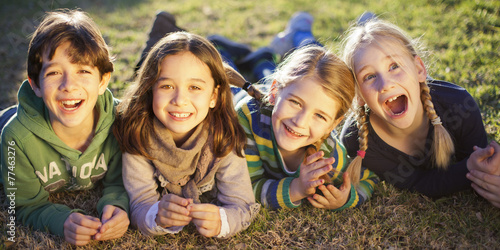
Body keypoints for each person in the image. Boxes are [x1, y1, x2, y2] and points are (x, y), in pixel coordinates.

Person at [0, 10, 129, 246]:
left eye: (83, 71)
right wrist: (61, 221)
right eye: (54, 72)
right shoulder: (15, 138)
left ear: (103, 80)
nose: (69, 85)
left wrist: (117, 204)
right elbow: (25, 205)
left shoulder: (120, 122)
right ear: (35, 85)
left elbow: (119, 181)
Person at [114, 31, 259, 238]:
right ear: (150, 89)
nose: (180, 100)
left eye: (195, 87)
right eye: (167, 86)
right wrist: (156, 216)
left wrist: (223, 220)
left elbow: (242, 203)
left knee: (257, 68)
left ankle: (248, 53)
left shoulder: (223, 135)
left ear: (214, 97)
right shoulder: (138, 134)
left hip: (238, 90)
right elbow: (140, 204)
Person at [340, 17, 492, 198]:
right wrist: (468, 169)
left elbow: (483, 164)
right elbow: (418, 182)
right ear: (358, 95)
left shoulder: (459, 106)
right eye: (369, 76)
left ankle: (367, 19)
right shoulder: (358, 143)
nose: (385, 84)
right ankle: (301, 32)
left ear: (419, 69)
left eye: (394, 66)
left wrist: (484, 169)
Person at [234, 45, 379, 210]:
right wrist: (295, 189)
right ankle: (238, 54)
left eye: (319, 116)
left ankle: (261, 59)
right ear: (275, 91)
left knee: (265, 71)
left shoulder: (328, 157)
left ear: (333, 124)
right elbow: (242, 189)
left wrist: (345, 199)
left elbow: (368, 179)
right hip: (240, 96)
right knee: (229, 83)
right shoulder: (247, 118)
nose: (300, 122)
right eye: (295, 102)